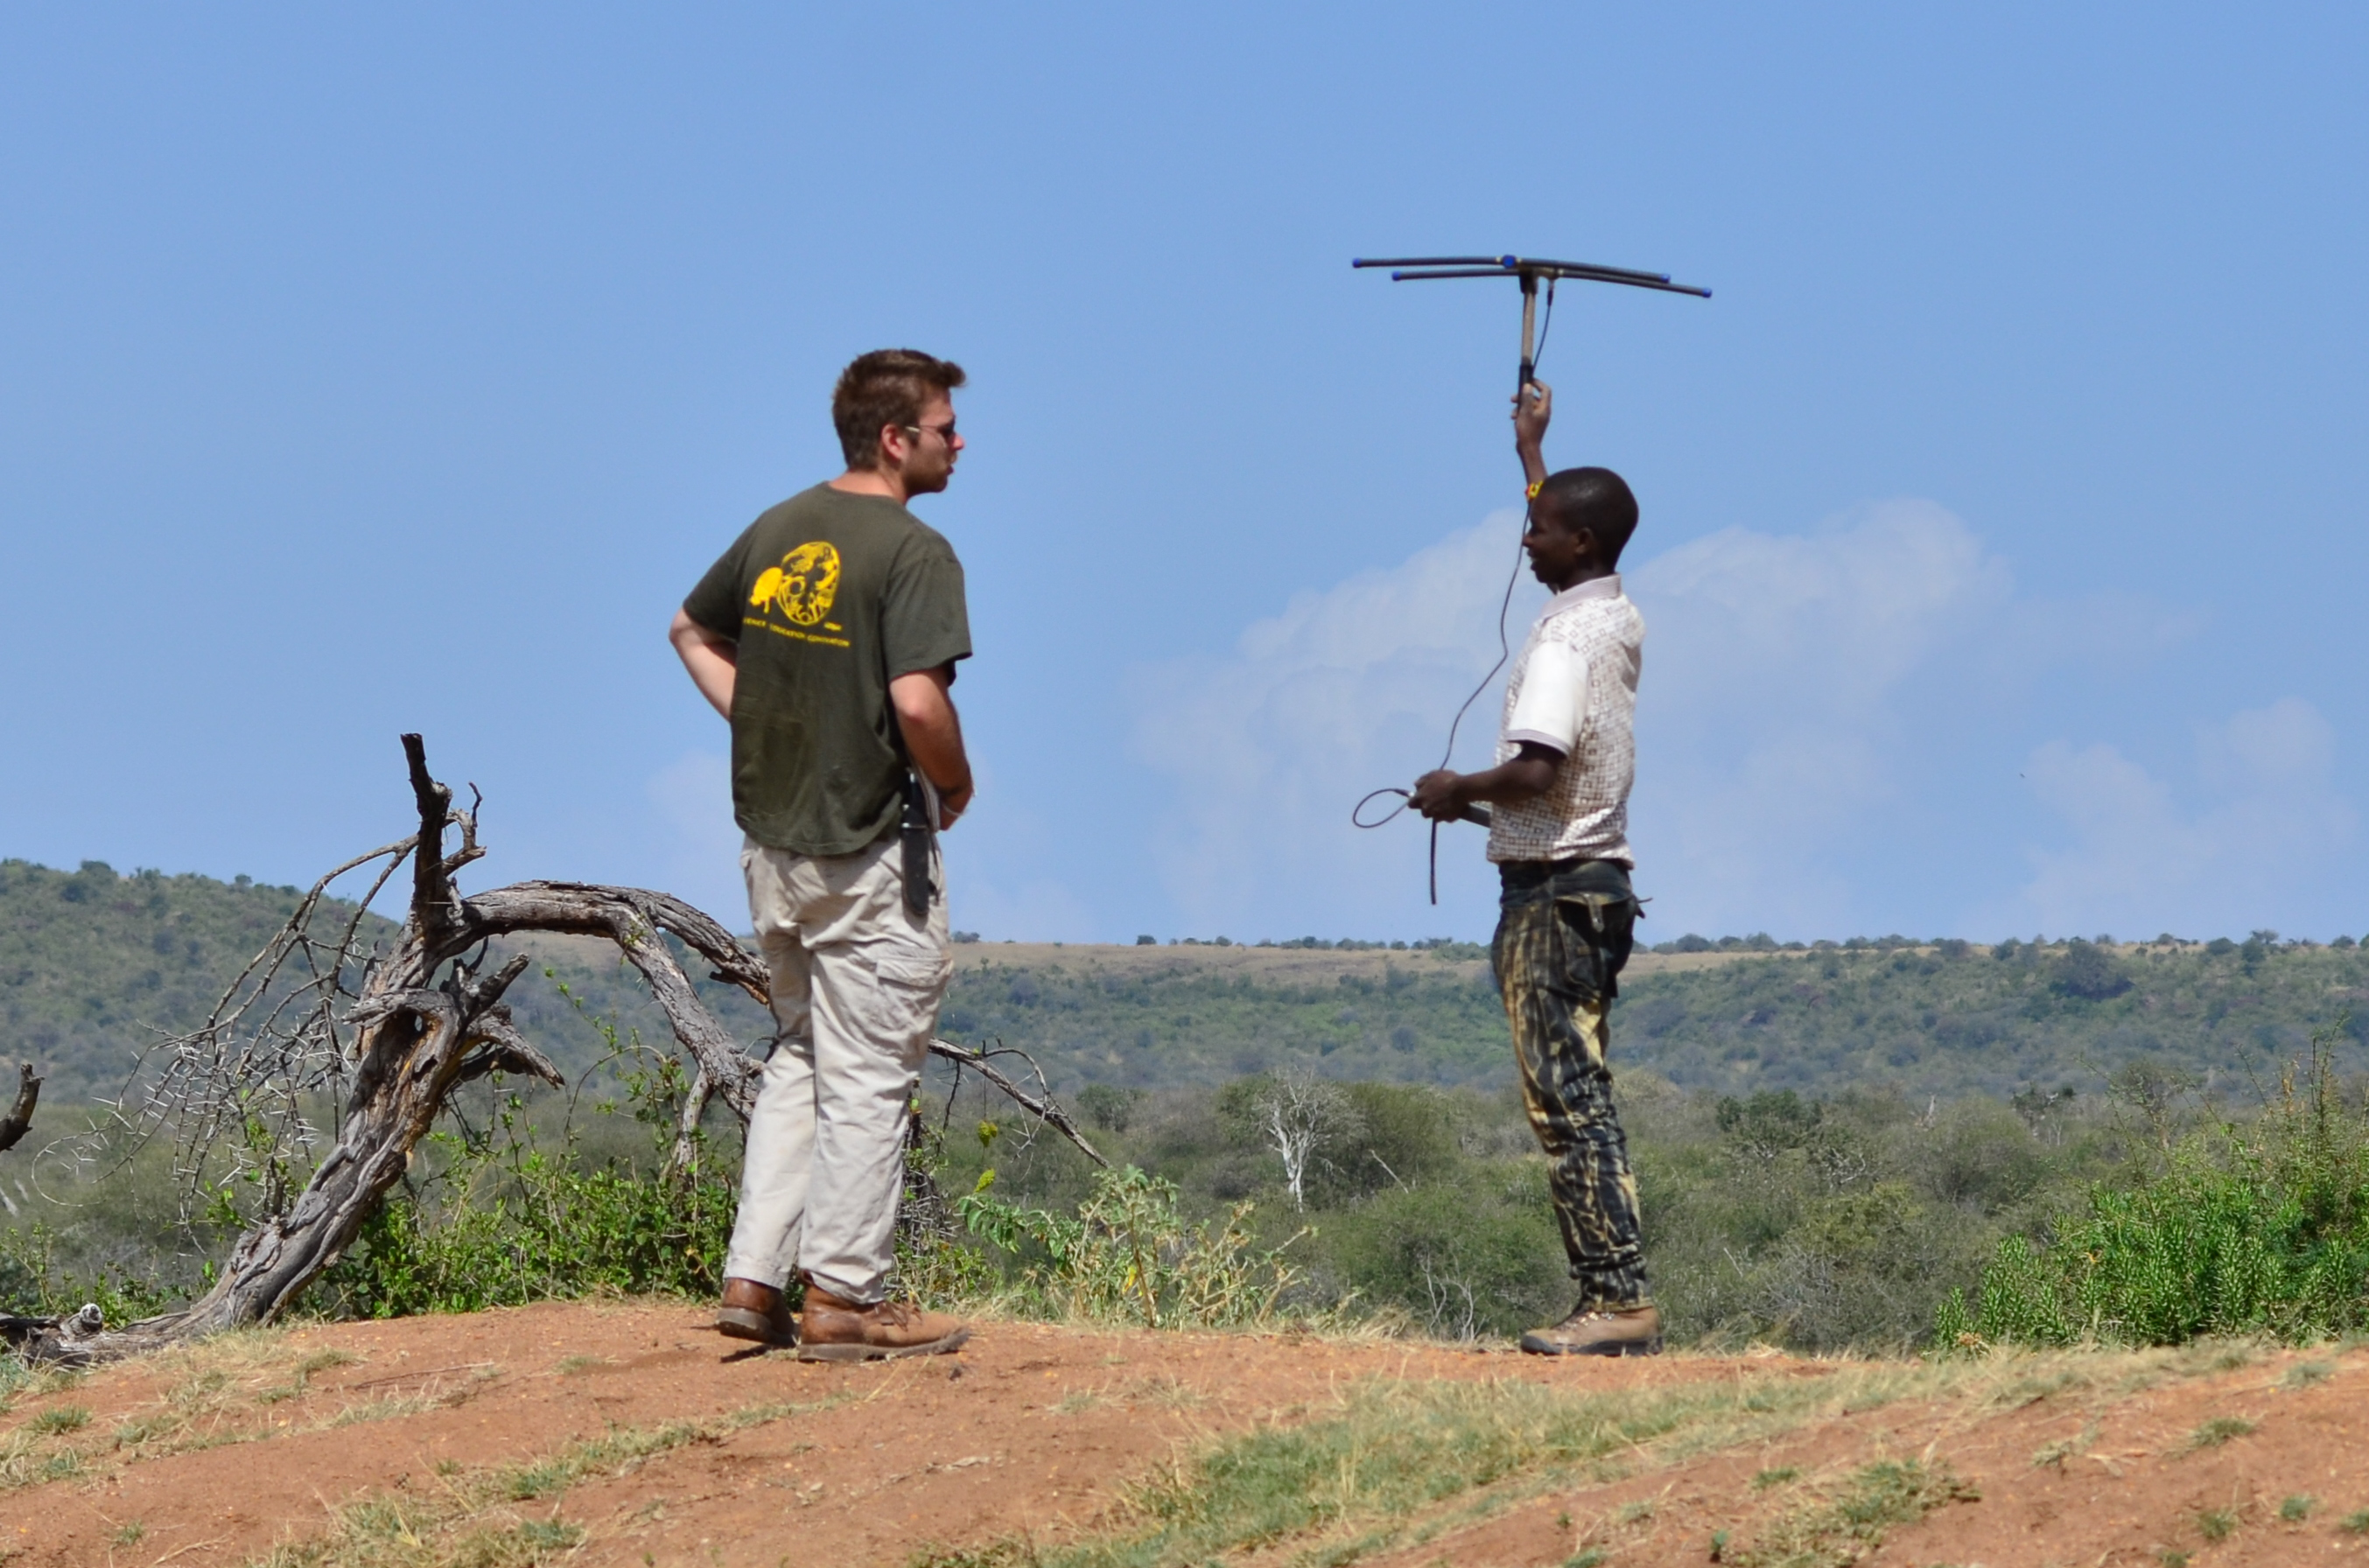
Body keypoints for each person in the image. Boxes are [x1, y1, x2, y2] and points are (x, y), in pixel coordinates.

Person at [669, 348, 978, 1362]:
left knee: (803, 1053)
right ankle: (844, 1297)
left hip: (773, 845)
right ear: (896, 440)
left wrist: (764, 724)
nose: (958, 442)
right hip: (865, 847)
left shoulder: (779, 525)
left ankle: (753, 1278)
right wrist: (954, 781)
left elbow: (689, 629)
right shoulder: (912, 550)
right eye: (943, 427)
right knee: (872, 1070)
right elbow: (918, 701)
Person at [1408, 380, 1661, 1357]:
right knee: (1581, 1091)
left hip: (1550, 902)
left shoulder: (1560, 641)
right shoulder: (1617, 616)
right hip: (1597, 887)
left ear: (1582, 546)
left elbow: (1537, 768)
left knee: (1566, 1102)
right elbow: (1570, 525)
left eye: (1543, 530)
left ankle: (1616, 1298)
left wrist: (1453, 785)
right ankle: (1615, 1294)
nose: (1528, 539)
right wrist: (1531, 456)